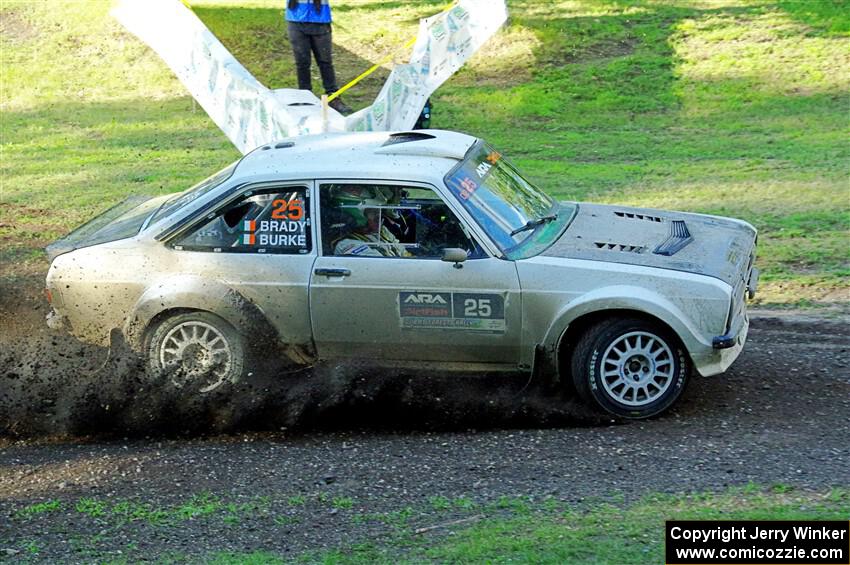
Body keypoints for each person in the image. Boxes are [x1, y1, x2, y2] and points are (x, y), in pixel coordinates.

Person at [285, 0, 353, 115]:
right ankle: (305, 98)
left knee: (325, 62)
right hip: (296, 19)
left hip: (320, 19)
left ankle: (333, 98)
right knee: (302, 63)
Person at [329, 186, 411, 257]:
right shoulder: (347, 244)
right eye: (373, 212)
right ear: (356, 214)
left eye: (379, 211)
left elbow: (405, 253)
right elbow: (384, 268)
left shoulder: (380, 231)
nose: (379, 216)